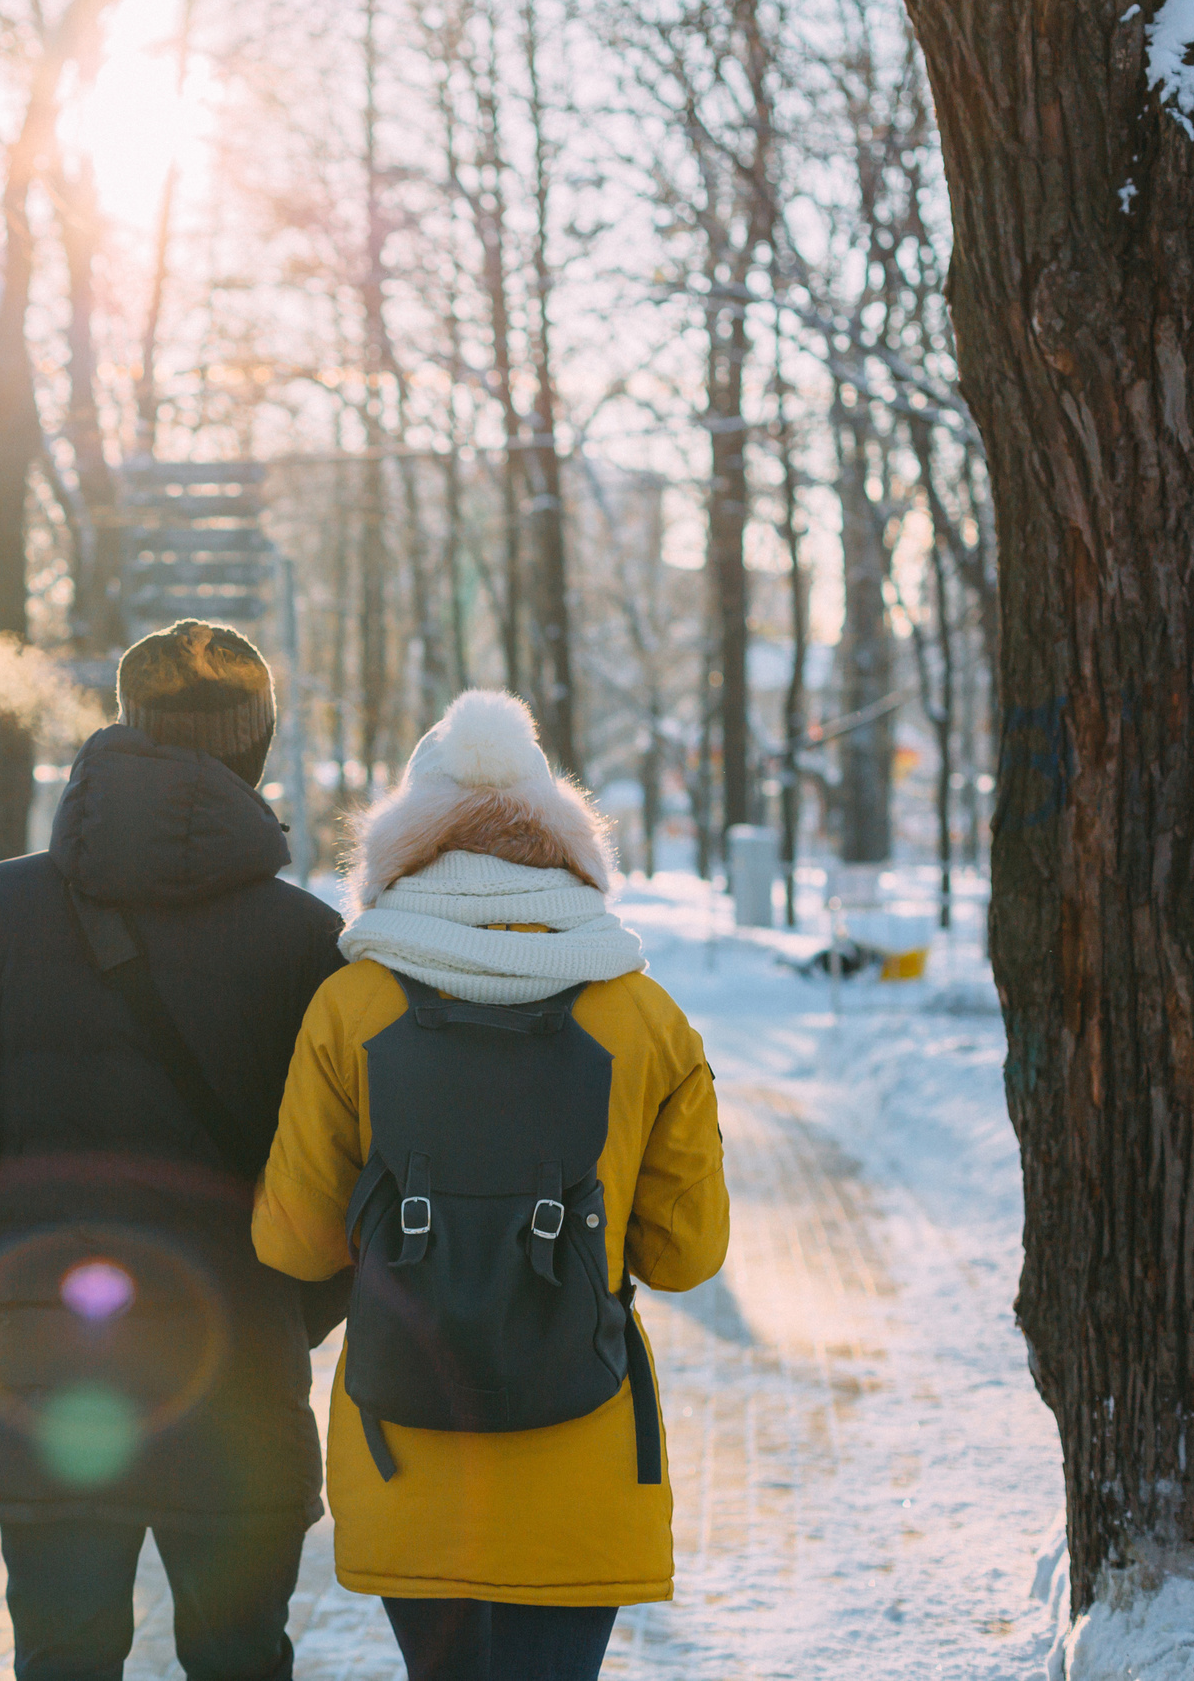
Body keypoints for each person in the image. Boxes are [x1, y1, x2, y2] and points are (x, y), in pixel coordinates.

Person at [0, 619, 347, 1681]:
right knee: (240, 1662)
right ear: (255, 747)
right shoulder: (308, 942)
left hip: (50, 1374)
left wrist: (0, 1300)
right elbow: (346, 1170)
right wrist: (291, 1310)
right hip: (236, 1374)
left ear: (125, 730)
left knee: (61, 1660)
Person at [252, 690, 729, 1681]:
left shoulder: (351, 1005)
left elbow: (291, 1243)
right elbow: (686, 1258)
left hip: (406, 1448)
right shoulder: (643, 1015)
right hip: (585, 1448)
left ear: (405, 848)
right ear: (558, 840)